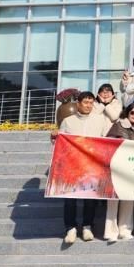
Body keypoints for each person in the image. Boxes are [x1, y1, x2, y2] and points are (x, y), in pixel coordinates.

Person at [53, 91, 111, 244]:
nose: (88, 106)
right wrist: (54, 137)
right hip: (72, 165)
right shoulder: (68, 121)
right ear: (78, 104)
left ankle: (87, 226)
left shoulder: (100, 120)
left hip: (92, 165)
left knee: (90, 198)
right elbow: (60, 143)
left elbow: (107, 139)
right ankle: (70, 227)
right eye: (85, 102)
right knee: (70, 198)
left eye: (91, 103)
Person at [103, 104, 134, 242]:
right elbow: (107, 142)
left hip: (132, 168)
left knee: (128, 199)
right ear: (127, 112)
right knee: (113, 200)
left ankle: (125, 230)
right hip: (117, 167)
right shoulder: (117, 126)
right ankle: (110, 231)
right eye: (132, 112)